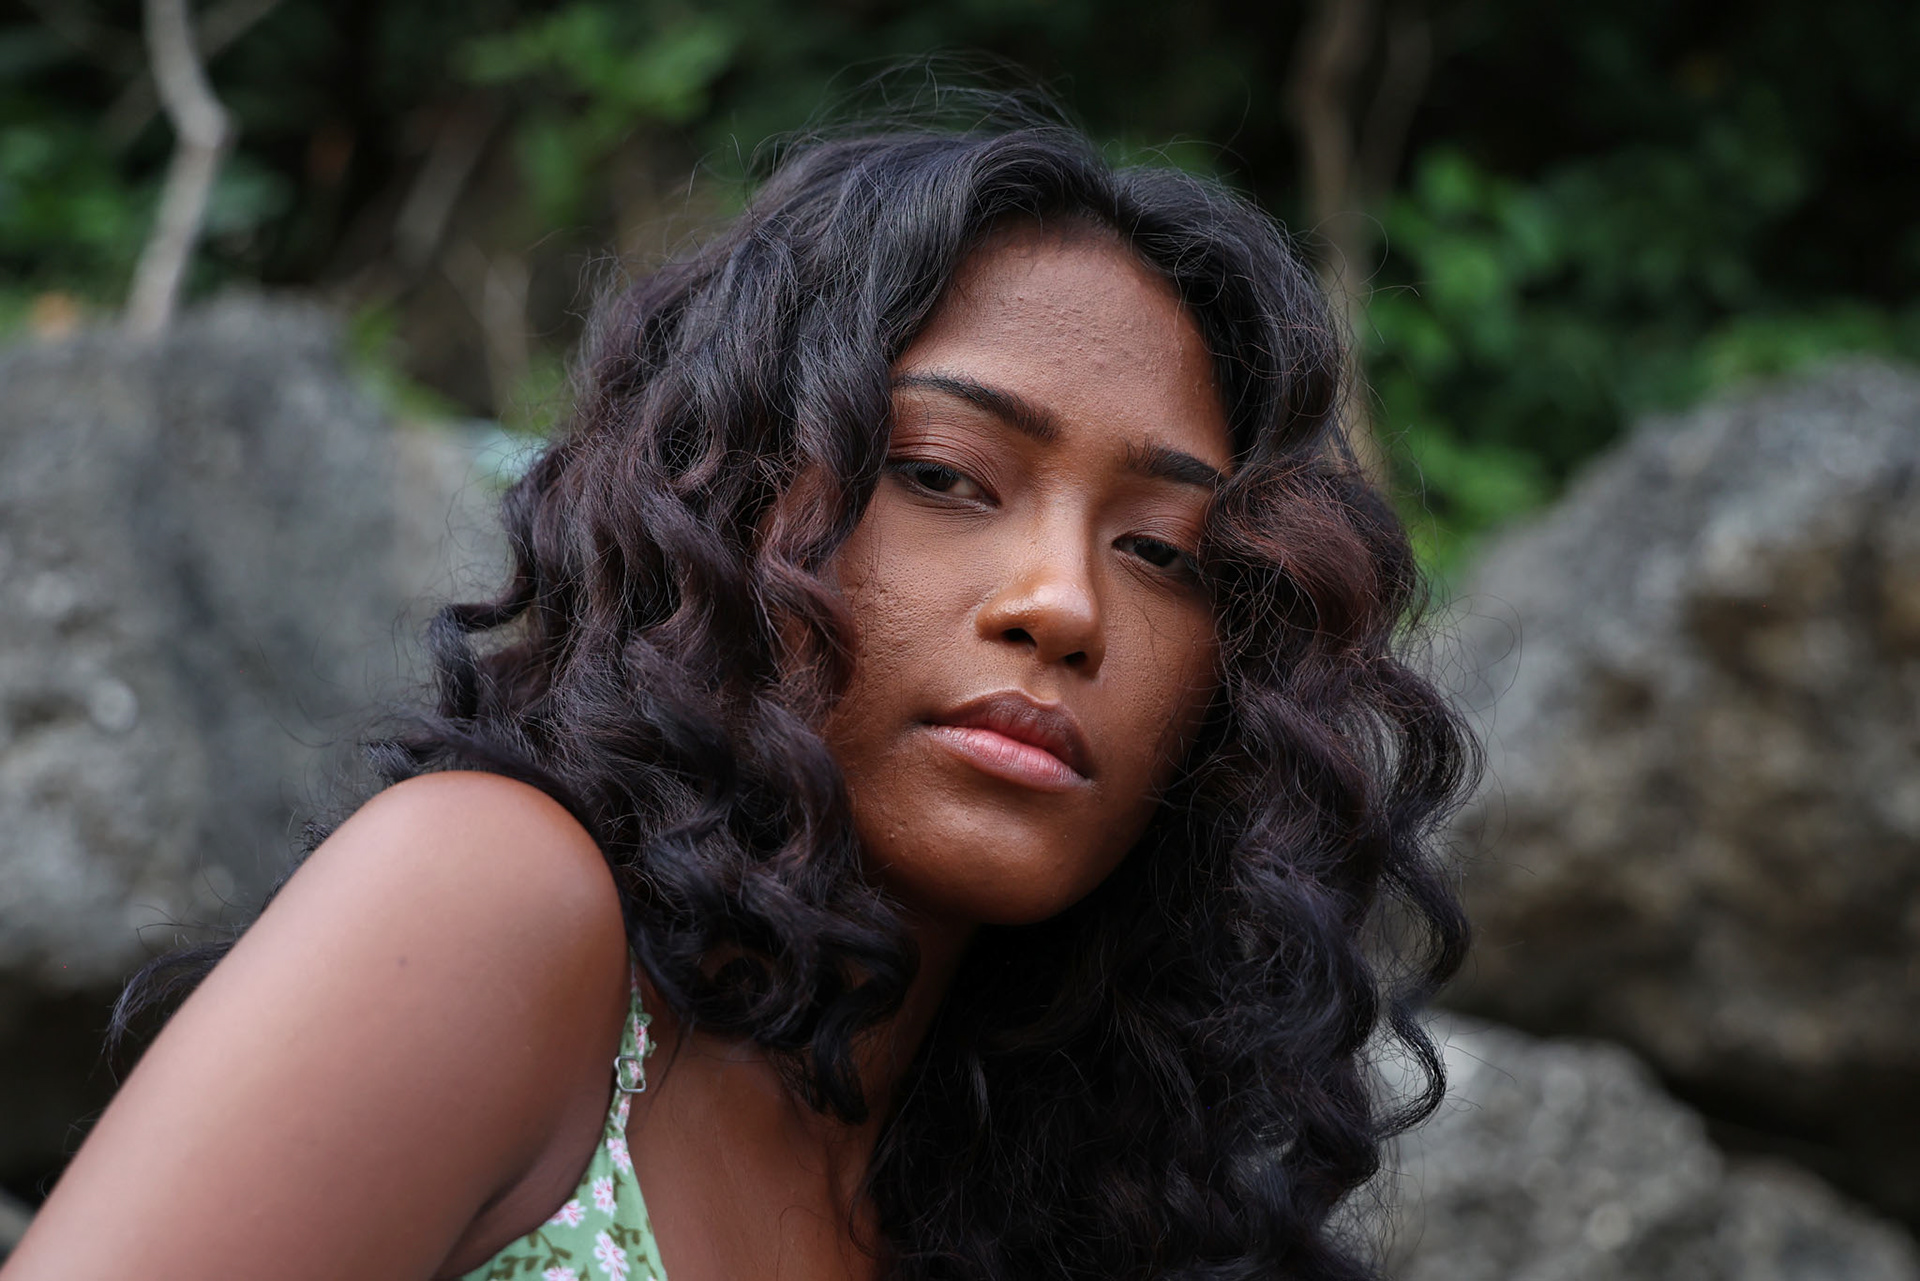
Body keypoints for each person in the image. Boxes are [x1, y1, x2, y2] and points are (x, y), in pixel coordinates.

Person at [4, 105, 1474, 1281]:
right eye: (945, 476)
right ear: (724, 505)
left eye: (1163, 552)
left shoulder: (1075, 1198)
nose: (1065, 605)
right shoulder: (488, 906)